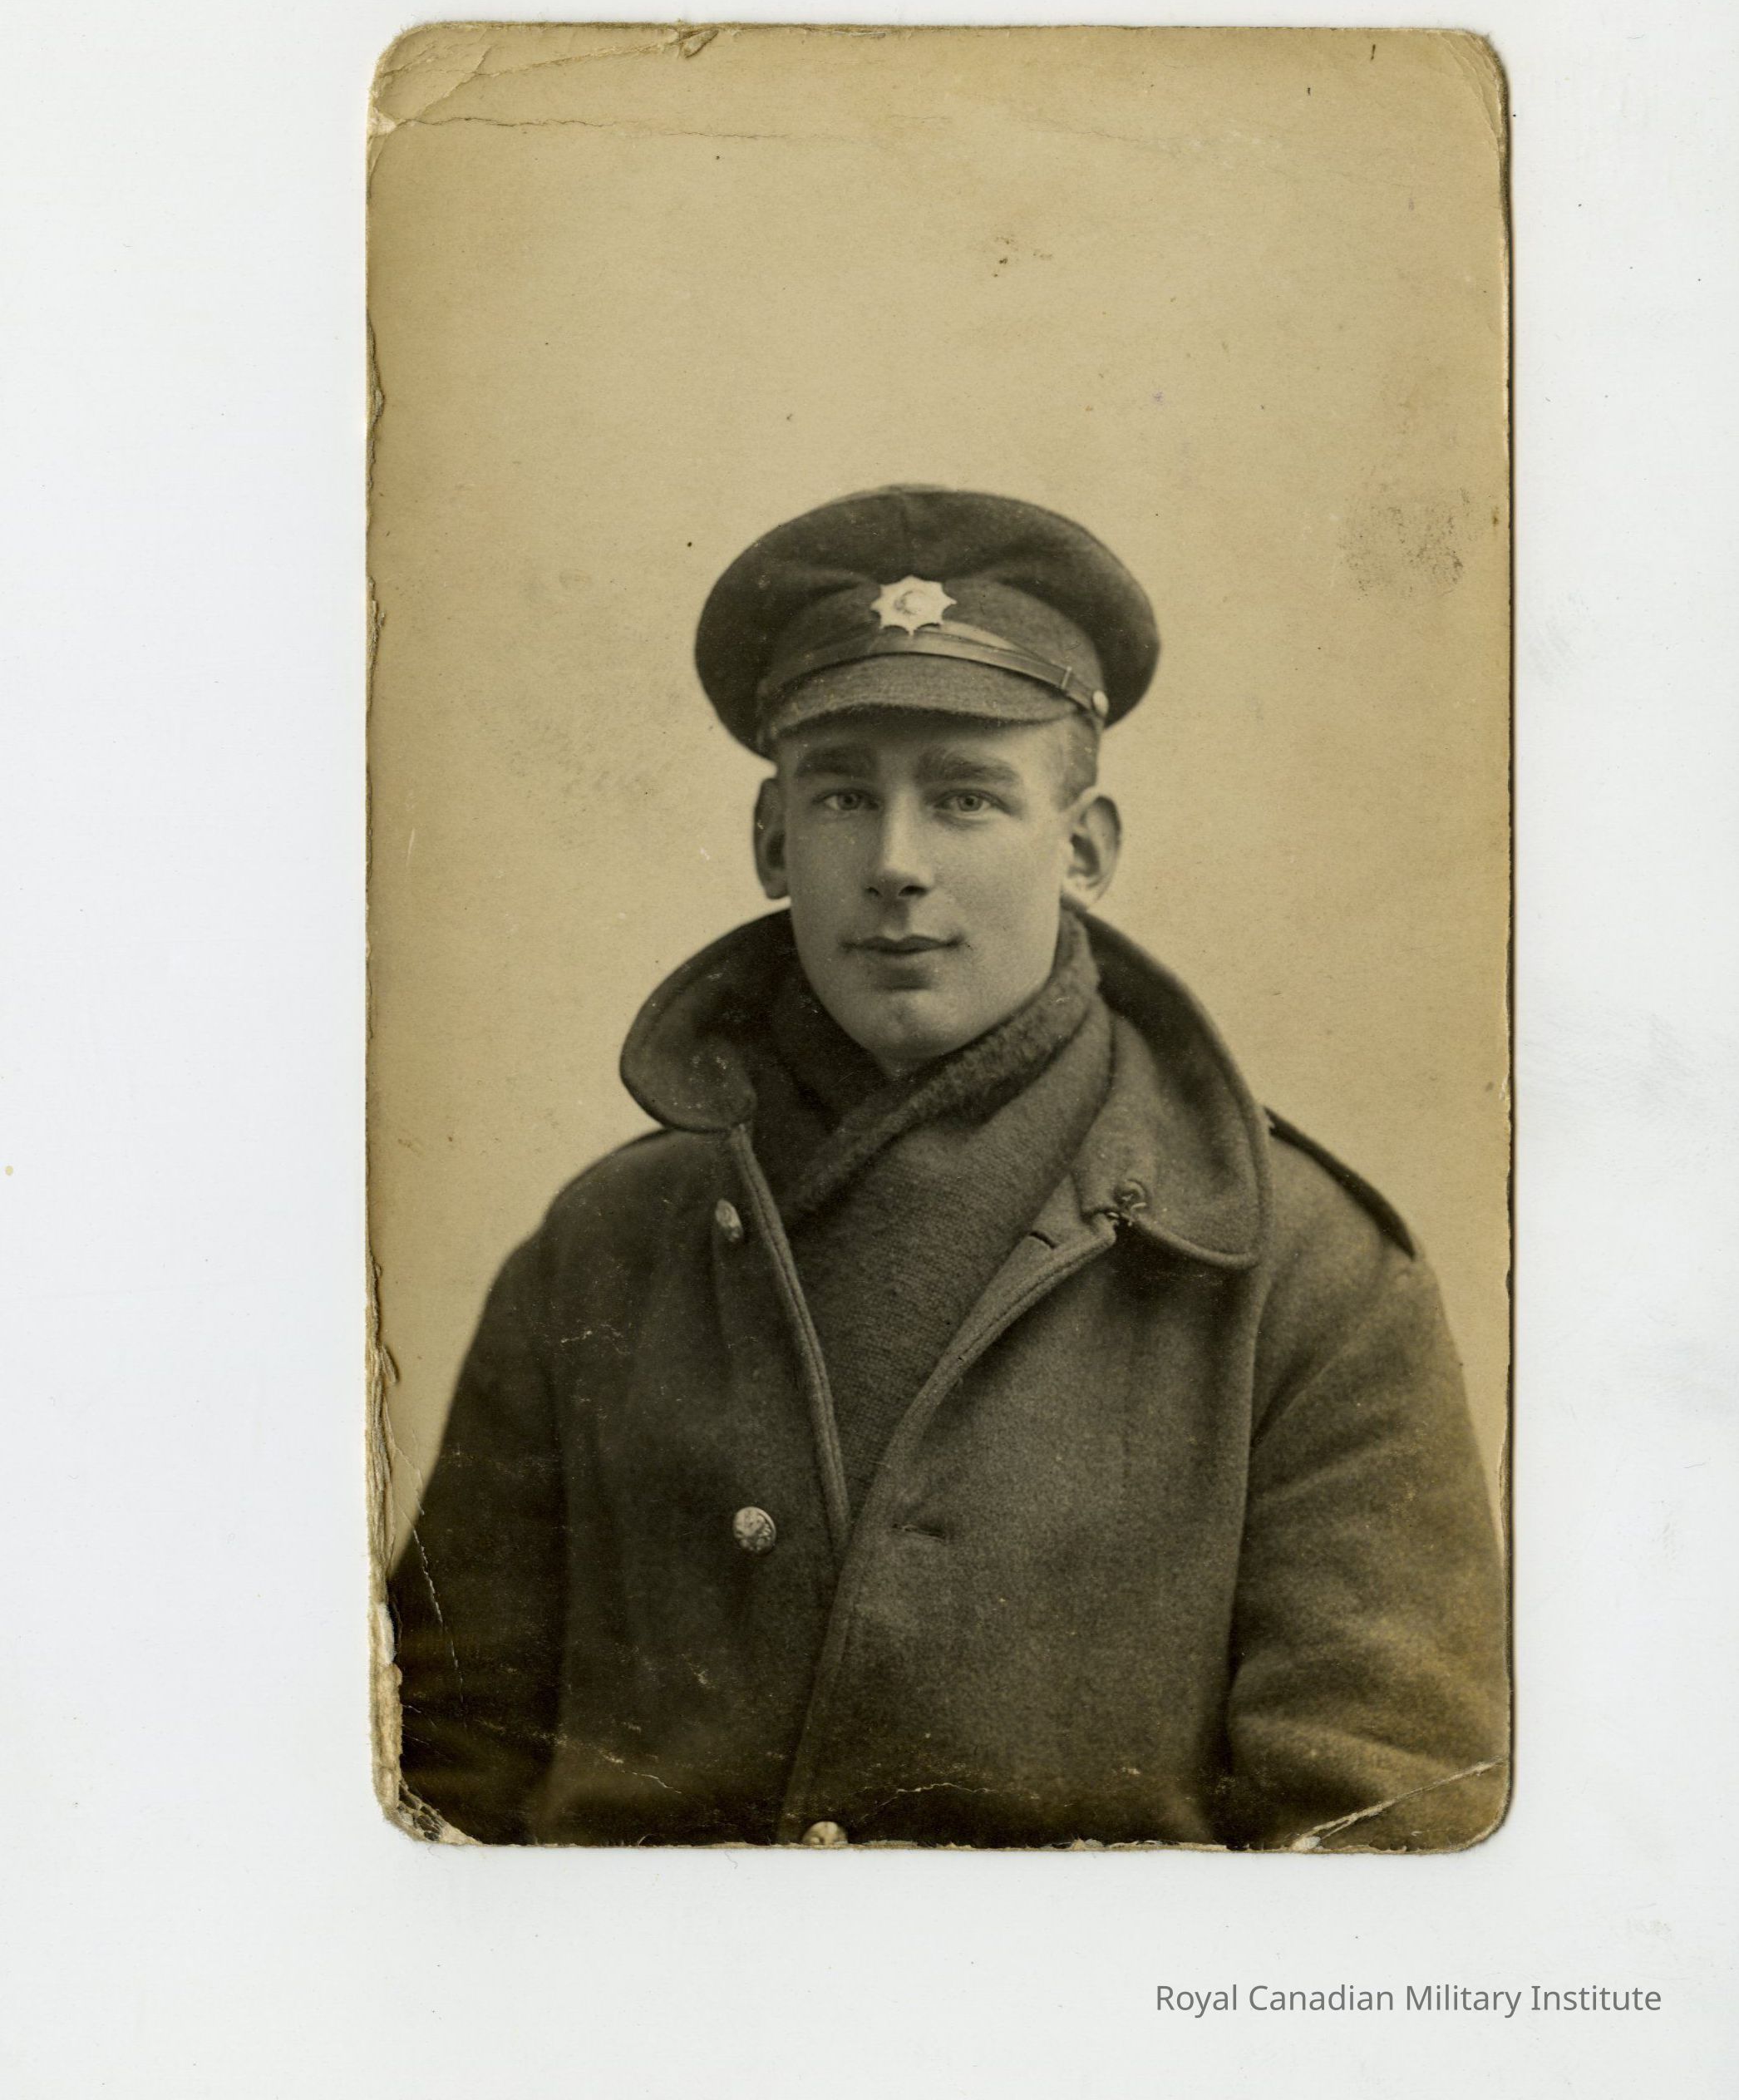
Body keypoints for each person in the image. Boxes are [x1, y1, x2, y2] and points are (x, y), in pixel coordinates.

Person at [387, 484, 1509, 1852]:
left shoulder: (1299, 1269)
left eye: (967, 799)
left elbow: (1386, 1829)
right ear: (772, 840)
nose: (897, 865)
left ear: (1083, 848)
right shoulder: (607, 1244)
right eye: (844, 796)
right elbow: (441, 1776)